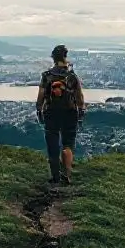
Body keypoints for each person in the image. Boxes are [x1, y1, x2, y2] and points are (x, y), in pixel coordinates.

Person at [36, 44, 86, 185]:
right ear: (65, 56)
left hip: (51, 113)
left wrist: (39, 109)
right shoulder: (72, 76)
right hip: (70, 113)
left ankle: (55, 177)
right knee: (67, 144)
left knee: (52, 146)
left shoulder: (47, 76)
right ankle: (67, 175)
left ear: (53, 58)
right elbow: (79, 97)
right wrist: (81, 111)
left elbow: (40, 96)